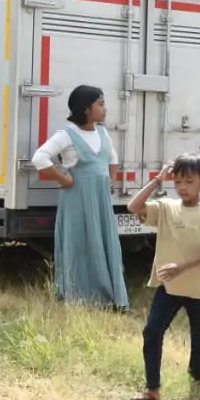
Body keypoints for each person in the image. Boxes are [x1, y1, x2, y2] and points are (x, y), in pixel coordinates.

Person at [125, 155, 200, 400]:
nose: (182, 187)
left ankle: (198, 382)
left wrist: (180, 267)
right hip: (168, 286)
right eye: (178, 181)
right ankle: (152, 390)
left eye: (189, 181)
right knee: (152, 331)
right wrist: (157, 180)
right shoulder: (166, 207)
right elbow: (133, 207)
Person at [31, 85, 129, 310]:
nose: (105, 109)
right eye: (101, 104)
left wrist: (112, 179)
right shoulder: (66, 135)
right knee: (79, 244)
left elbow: (112, 159)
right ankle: (79, 296)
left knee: (103, 243)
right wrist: (64, 178)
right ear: (86, 108)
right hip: (76, 201)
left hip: (101, 200)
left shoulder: (103, 133)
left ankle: (107, 295)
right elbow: (40, 158)